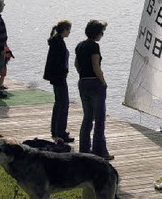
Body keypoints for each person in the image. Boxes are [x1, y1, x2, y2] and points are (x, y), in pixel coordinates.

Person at [75, 20, 113, 160]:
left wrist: (83, 75)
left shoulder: (79, 46)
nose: (102, 35)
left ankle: (84, 150)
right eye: (102, 32)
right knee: (100, 118)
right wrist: (103, 82)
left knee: (87, 117)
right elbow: (96, 66)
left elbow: (76, 64)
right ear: (97, 33)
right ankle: (100, 151)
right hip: (95, 83)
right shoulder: (94, 47)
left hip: (83, 82)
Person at [43, 20, 74, 143]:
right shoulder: (58, 42)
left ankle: (56, 131)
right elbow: (58, 61)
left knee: (59, 103)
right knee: (64, 104)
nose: (69, 33)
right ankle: (60, 132)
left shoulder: (56, 41)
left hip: (56, 76)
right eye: (69, 30)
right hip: (59, 77)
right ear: (64, 30)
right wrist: (63, 72)